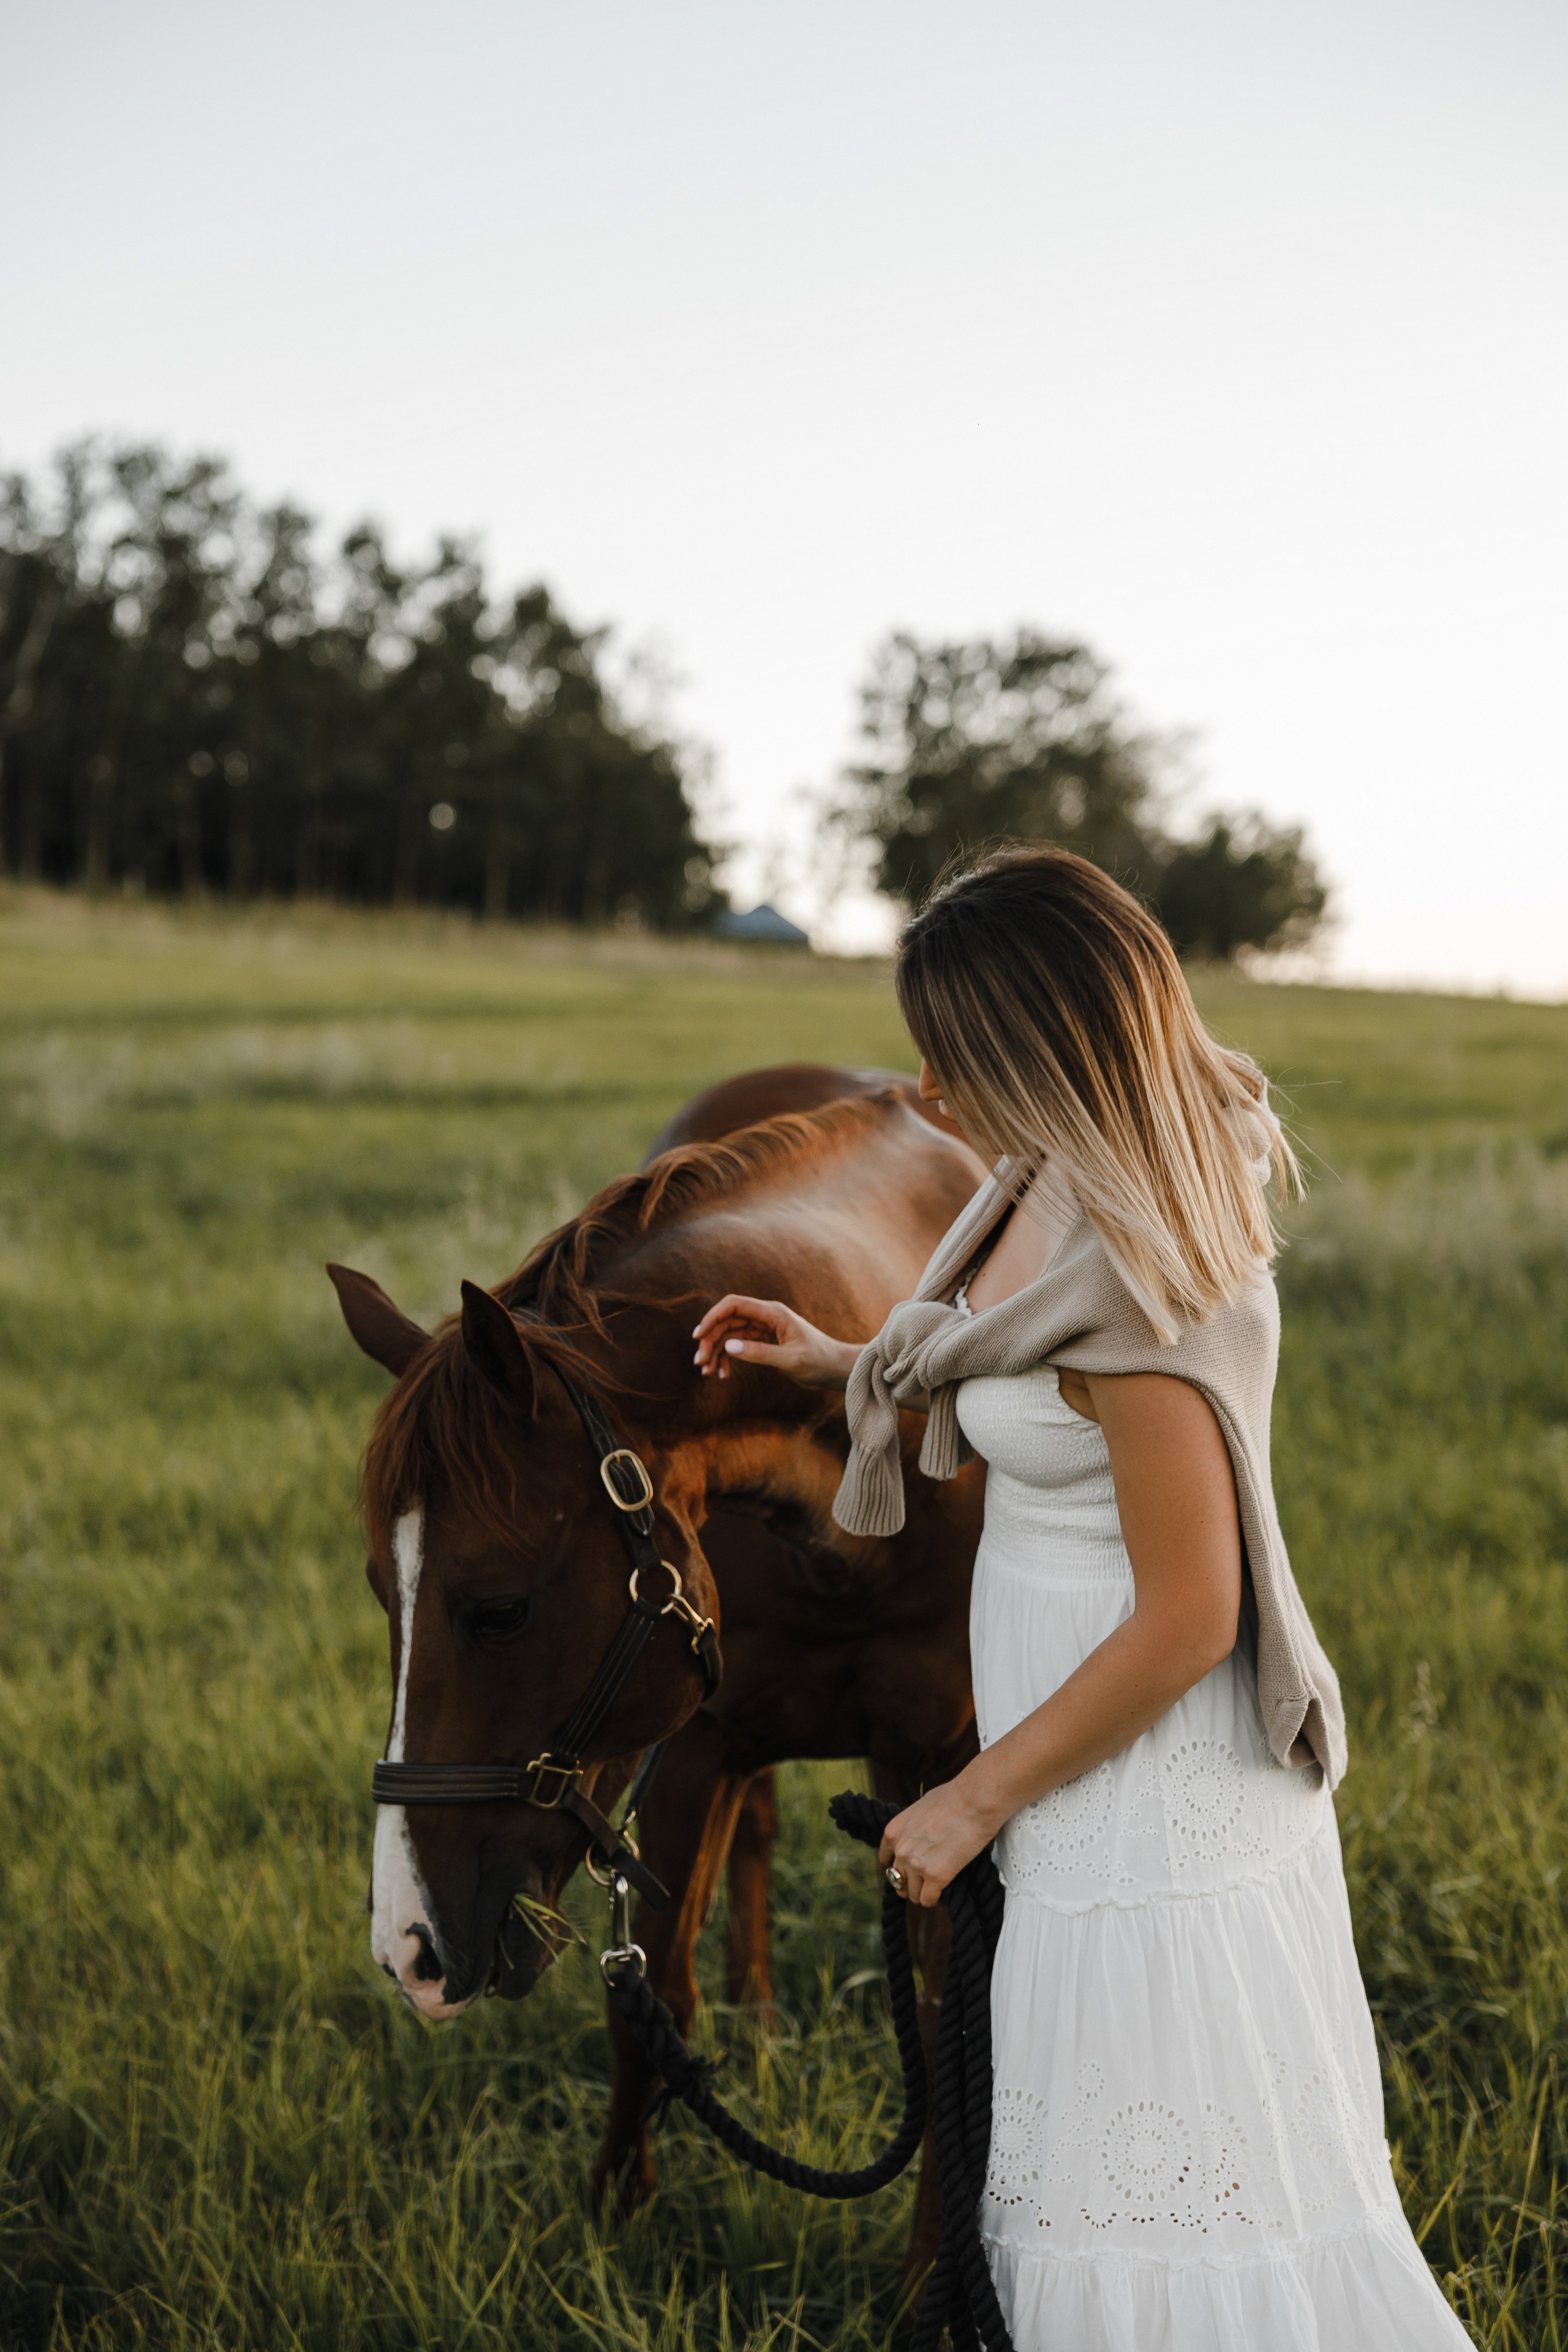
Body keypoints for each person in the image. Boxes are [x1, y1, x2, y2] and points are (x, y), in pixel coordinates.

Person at [693, 848, 1470, 2350]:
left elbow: (1190, 1611)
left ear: (1044, 1052)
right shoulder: (1036, 1187)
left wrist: (971, 1797)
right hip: (1077, 1764)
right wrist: (835, 1366)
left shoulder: (1145, 1273)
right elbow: (1005, 1376)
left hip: (1143, 1787)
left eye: (956, 1053)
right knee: (1090, 2176)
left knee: (1161, 2204)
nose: (924, 1087)